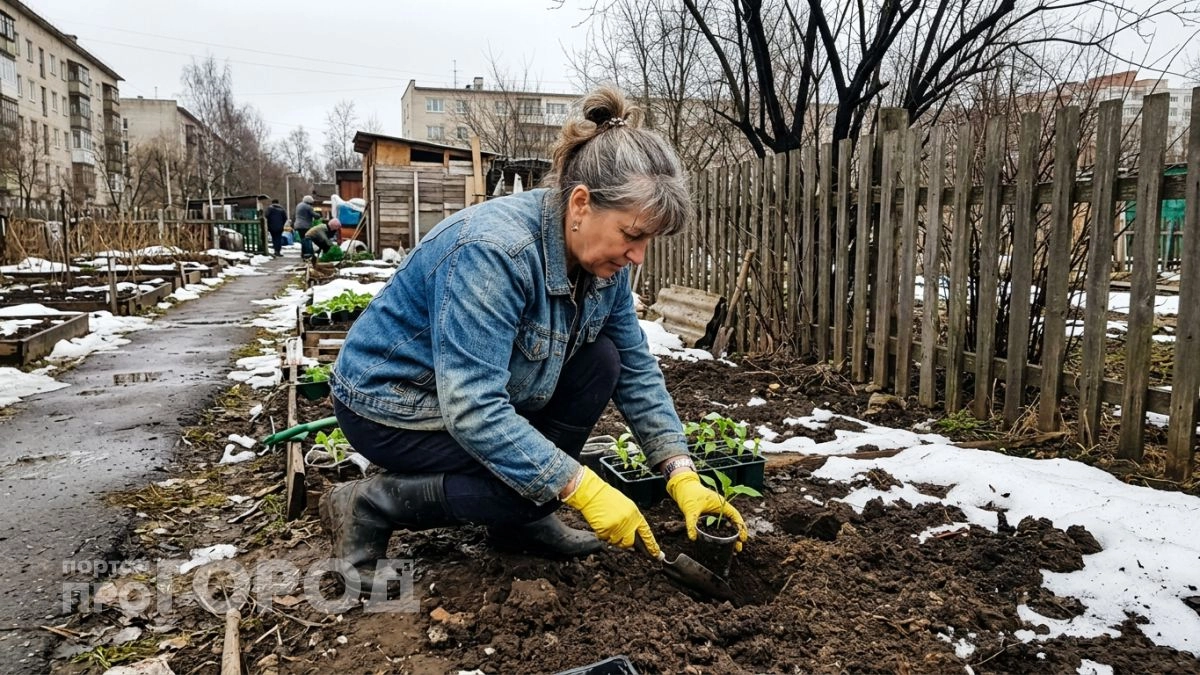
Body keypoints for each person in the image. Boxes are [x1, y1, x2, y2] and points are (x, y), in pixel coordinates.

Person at [321, 86, 748, 595]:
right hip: (392, 405)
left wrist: (680, 472)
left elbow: (635, 367)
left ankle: (518, 520)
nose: (638, 256)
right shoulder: (494, 252)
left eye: (647, 241)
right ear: (582, 203)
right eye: (632, 235)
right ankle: (371, 503)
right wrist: (578, 487)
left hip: (466, 399)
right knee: (531, 486)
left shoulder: (601, 266)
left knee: (604, 360)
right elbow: (475, 408)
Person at [294, 195, 316, 260]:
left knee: (303, 239)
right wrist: (318, 215)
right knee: (307, 239)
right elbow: (314, 214)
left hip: (298, 225)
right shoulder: (308, 207)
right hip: (305, 226)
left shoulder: (299, 205)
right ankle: (308, 254)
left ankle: (303, 253)